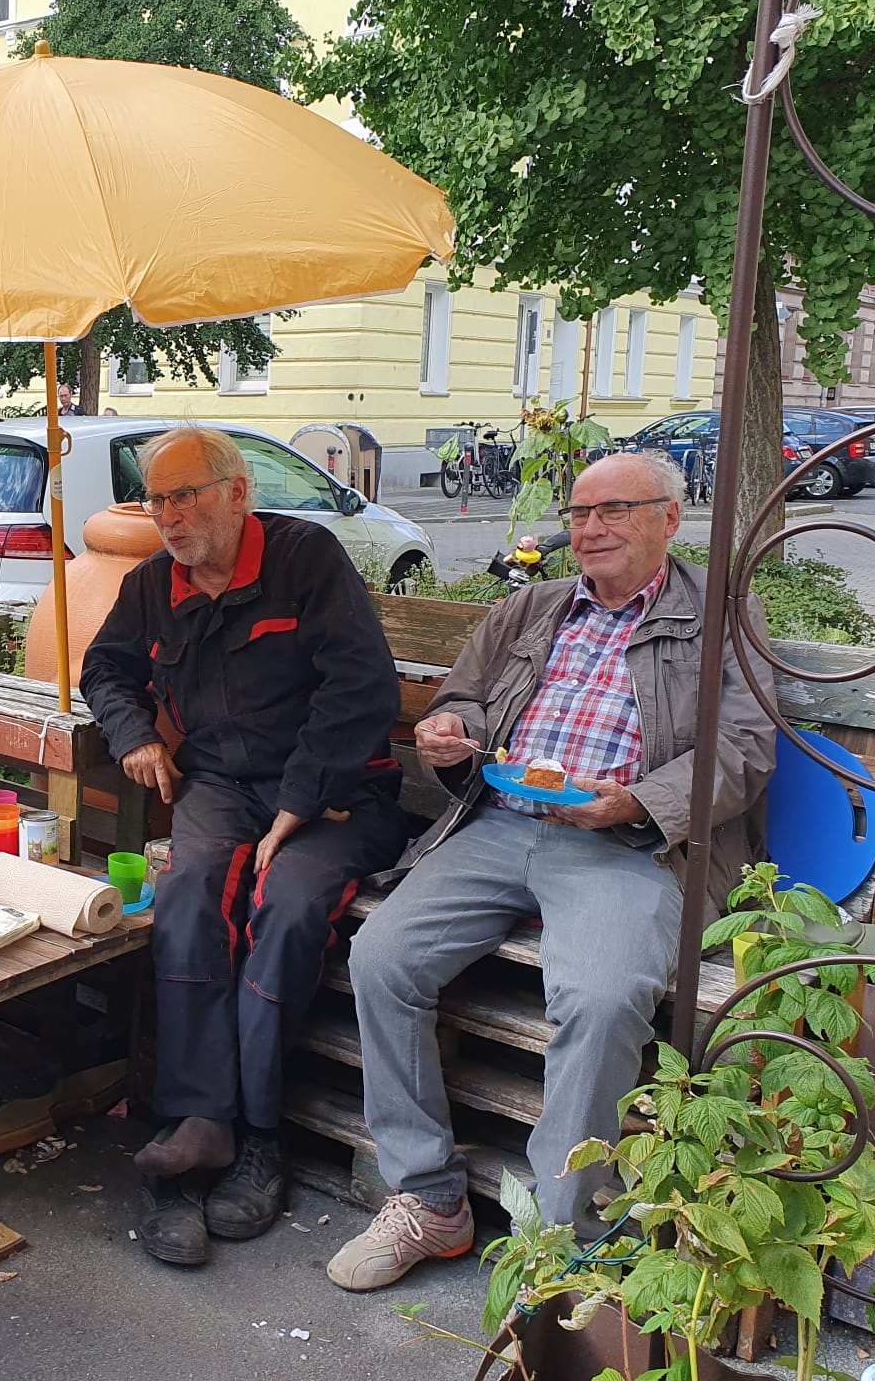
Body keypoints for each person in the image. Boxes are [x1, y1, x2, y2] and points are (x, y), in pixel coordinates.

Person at [327, 451, 775, 1292]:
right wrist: (450, 729)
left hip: (630, 844)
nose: (591, 530)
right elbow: (461, 697)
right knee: (381, 958)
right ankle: (428, 1199)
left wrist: (635, 802)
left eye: (614, 511)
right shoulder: (532, 606)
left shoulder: (716, 618)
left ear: (669, 519)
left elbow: (746, 753)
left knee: (602, 999)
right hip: (501, 824)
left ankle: (559, 1237)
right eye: (579, 514)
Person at [81, 425, 409, 1265]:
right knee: (188, 894)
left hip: (335, 795)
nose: (167, 515)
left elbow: (363, 686)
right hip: (222, 791)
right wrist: (133, 738)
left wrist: (300, 804)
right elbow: (107, 669)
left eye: (184, 494)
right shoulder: (155, 584)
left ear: (237, 492)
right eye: (156, 499)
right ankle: (198, 1126)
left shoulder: (307, 560)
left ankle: (261, 1136)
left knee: (288, 907)